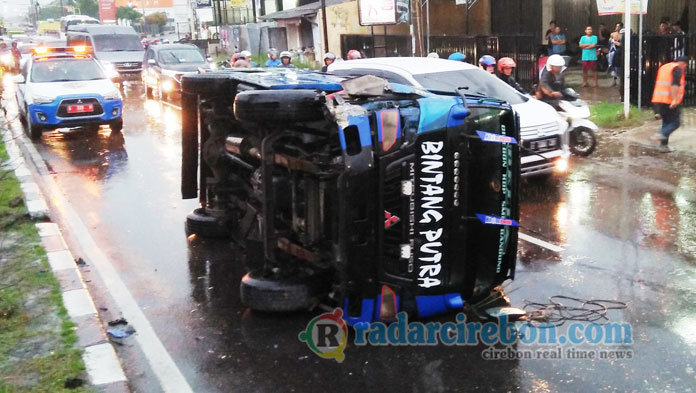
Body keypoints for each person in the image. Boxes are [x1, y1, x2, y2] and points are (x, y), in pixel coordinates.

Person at [650, 56, 688, 153]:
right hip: (669, 100)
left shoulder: (664, 67)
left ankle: (663, 146)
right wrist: (675, 99)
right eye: (685, 66)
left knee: (666, 122)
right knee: (675, 122)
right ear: (683, 63)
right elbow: (675, 84)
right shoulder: (677, 69)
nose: (685, 68)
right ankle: (659, 136)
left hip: (659, 99)